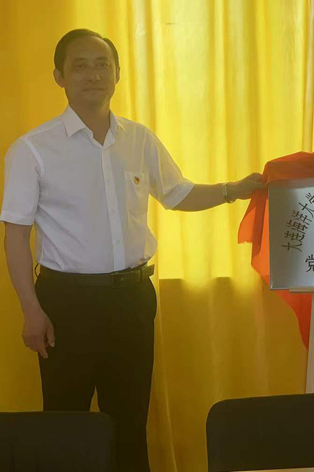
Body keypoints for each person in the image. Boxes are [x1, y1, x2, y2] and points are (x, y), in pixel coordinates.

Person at [1, 29, 265, 472]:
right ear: (59, 76)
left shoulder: (139, 140)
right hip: (66, 304)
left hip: (132, 300)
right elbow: (14, 236)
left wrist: (231, 190)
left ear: (118, 74)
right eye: (80, 66)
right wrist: (31, 310)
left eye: (102, 64)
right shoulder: (32, 150)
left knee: (130, 423)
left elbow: (178, 193)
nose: (93, 74)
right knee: (65, 425)